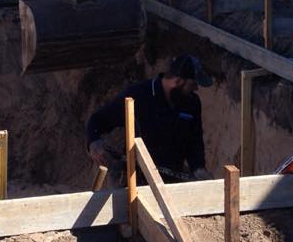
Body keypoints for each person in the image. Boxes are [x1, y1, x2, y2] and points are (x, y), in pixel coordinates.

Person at [86, 54, 212, 183]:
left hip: (172, 178)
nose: (196, 88)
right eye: (193, 84)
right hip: (135, 180)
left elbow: (195, 140)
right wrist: (93, 141)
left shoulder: (192, 103)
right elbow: (99, 119)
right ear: (178, 81)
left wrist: (198, 167)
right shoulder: (139, 95)